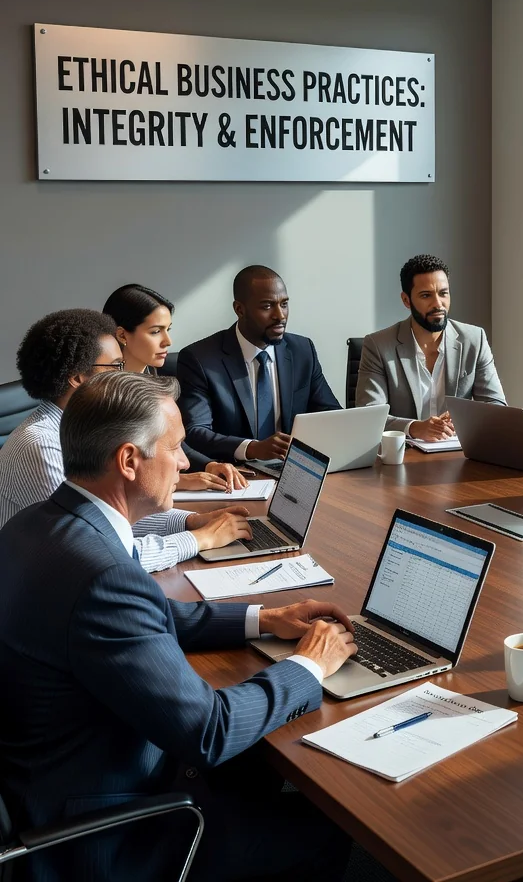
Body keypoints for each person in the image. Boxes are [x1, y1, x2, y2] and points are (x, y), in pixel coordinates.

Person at [0, 371, 356, 881]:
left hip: (48, 771)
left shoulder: (35, 525)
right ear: (128, 461)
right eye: (175, 447)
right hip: (101, 833)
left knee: (258, 765)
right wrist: (309, 665)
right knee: (323, 826)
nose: (186, 463)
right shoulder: (101, 576)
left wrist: (264, 618)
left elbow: (144, 615)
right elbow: (209, 731)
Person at [0, 309, 250, 570]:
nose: (125, 373)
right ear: (77, 378)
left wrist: (190, 521)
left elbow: (109, 514)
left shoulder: (85, 430)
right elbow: (100, 548)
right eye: (116, 366)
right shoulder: (41, 445)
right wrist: (200, 538)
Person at [176, 265, 341, 463]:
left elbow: (331, 416)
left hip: (293, 468)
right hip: (236, 474)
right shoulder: (200, 359)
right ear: (240, 309)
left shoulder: (302, 350)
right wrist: (252, 449)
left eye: (284, 304)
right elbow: (195, 432)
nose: (280, 315)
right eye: (267, 306)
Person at [103, 283, 247, 492]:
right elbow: (111, 471)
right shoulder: (103, 393)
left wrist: (209, 465)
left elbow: (169, 441)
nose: (168, 341)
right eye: (155, 332)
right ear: (123, 335)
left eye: (167, 330)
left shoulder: (151, 374)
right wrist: (182, 482)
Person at [355, 254, 506, 440]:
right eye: (426, 295)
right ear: (406, 300)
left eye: (443, 293)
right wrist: (414, 428)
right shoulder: (378, 345)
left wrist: (464, 418)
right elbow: (369, 416)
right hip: (404, 456)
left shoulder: (474, 339)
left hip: (459, 453)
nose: (438, 304)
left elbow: (496, 406)